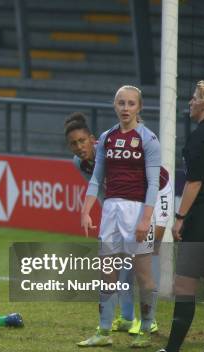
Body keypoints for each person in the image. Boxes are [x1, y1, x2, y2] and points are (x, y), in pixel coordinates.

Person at [140, 80, 204, 352]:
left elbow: (195, 182)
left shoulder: (199, 138)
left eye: (195, 97)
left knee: (184, 284)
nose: (190, 102)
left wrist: (179, 218)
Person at [66, 112, 172, 335]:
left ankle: (149, 320)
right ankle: (126, 318)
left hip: (157, 191)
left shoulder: (113, 148)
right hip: (124, 202)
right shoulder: (80, 164)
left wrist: (143, 216)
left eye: (82, 140)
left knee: (148, 250)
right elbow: (105, 191)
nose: (78, 147)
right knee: (122, 257)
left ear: (92, 139)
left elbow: (148, 180)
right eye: (73, 143)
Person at [76, 86, 161, 348]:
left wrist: (146, 219)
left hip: (137, 211)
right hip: (111, 211)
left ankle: (146, 329)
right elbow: (96, 178)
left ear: (139, 108)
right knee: (107, 272)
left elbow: (154, 183)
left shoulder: (148, 139)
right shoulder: (107, 138)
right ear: (114, 106)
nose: (126, 108)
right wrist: (86, 209)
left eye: (131, 104)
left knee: (143, 273)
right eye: (121, 103)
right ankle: (103, 331)